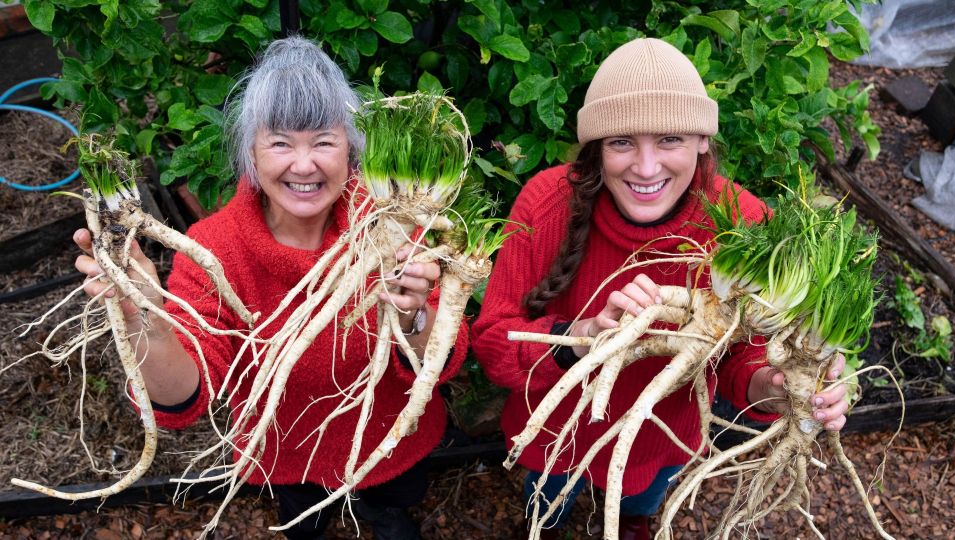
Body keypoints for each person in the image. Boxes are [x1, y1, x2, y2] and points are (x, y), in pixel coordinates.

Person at [73, 36, 466, 540]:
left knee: (395, 497)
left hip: (393, 438)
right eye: (280, 143)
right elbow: (182, 399)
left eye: (323, 141)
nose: (303, 165)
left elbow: (443, 358)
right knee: (304, 514)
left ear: (351, 150)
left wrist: (414, 317)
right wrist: (146, 319)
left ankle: (383, 512)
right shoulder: (214, 248)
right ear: (251, 155)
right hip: (284, 453)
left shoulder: (391, 225)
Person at [471, 38, 849, 540]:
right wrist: (580, 336)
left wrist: (775, 387)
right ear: (597, 147)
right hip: (554, 434)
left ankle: (634, 520)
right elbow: (494, 345)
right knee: (545, 502)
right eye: (622, 142)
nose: (646, 168)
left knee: (642, 499)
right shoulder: (548, 203)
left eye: (670, 139)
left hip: (661, 439)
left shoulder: (746, 225)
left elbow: (746, 357)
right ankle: (544, 523)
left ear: (702, 140)